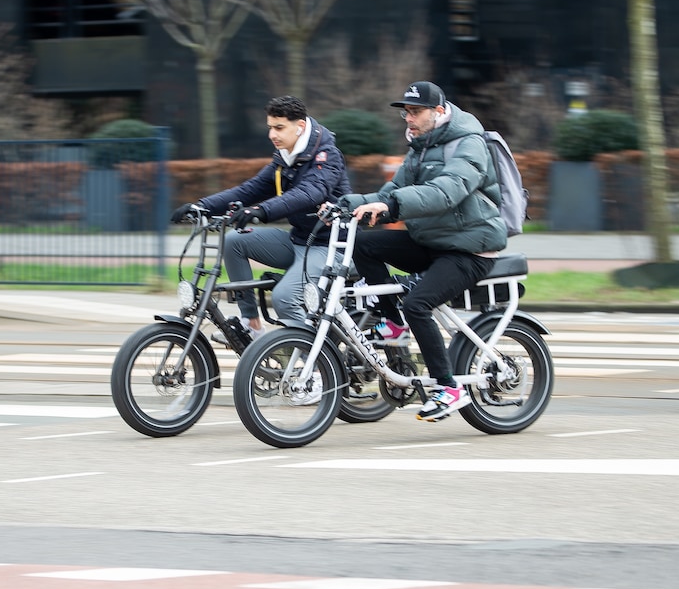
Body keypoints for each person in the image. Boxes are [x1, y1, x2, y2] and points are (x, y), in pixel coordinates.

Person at [339, 81, 507, 421]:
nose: (409, 119)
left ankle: (448, 388)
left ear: (439, 112)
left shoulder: (468, 144)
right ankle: (392, 321)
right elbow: (392, 190)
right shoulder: (420, 147)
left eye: (416, 112)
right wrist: (344, 204)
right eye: (406, 112)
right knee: (362, 243)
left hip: (469, 249)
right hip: (431, 243)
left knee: (418, 304)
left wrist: (393, 207)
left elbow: (447, 191)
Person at [170, 96, 349, 341]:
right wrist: (201, 206)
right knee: (235, 241)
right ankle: (251, 325)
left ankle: (318, 366)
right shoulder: (285, 158)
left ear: (301, 127)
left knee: (284, 297)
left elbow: (310, 192)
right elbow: (249, 190)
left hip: (329, 247)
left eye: (279, 128)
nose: (272, 135)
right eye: (269, 128)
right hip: (299, 241)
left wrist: (261, 211)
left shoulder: (327, 156)